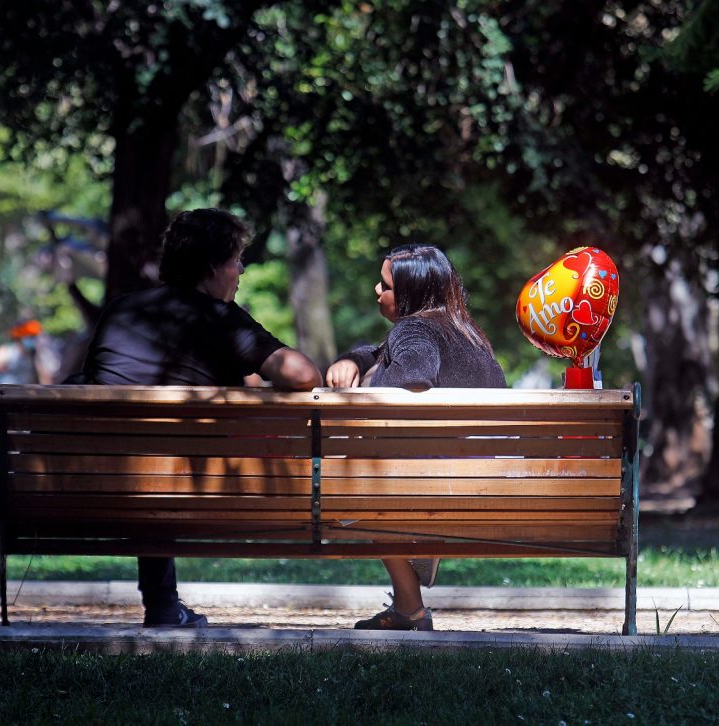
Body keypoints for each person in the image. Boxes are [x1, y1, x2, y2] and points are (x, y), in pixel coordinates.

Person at [81, 208, 322, 628]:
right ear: (213, 267)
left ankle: (161, 604)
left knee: (147, 462)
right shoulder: (218, 317)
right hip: (206, 486)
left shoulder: (121, 311)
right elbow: (304, 375)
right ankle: (162, 604)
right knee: (163, 465)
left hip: (101, 484)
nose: (241, 270)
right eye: (235, 260)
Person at [326, 243, 506, 631]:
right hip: (484, 480)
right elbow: (380, 350)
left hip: (431, 484)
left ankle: (418, 549)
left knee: (342, 486)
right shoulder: (470, 336)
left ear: (410, 295)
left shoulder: (414, 329)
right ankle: (410, 608)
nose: (377, 291)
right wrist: (356, 360)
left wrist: (365, 388)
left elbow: (415, 375)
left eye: (385, 285)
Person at [0, 320, 56, 386]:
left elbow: (46, 381)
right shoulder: (5, 352)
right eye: (29, 336)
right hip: (3, 397)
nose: (32, 339)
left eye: (33, 336)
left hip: (24, 397)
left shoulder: (35, 355)